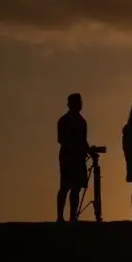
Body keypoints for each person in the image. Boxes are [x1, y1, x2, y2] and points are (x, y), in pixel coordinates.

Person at [56, 93, 89, 222]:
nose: (80, 104)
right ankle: (60, 216)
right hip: (68, 157)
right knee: (65, 187)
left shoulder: (82, 121)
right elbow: (61, 139)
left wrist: (89, 151)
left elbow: (84, 140)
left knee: (76, 188)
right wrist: (75, 146)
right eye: (77, 102)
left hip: (78, 157)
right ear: (70, 104)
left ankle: (72, 216)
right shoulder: (64, 120)